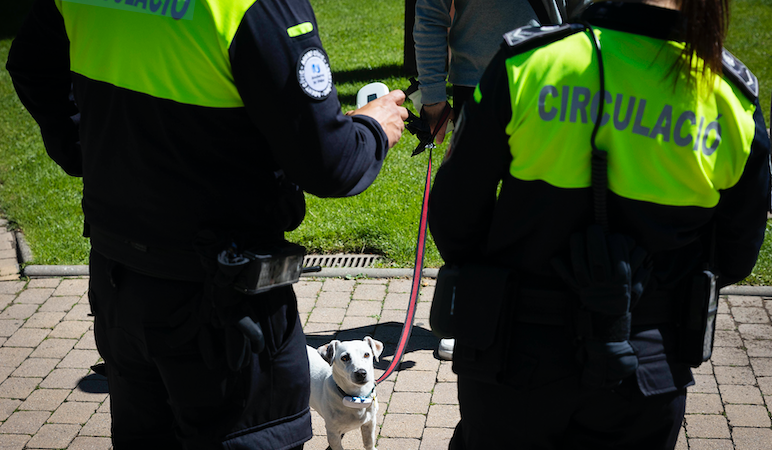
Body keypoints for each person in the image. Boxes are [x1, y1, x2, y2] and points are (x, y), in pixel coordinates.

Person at [6, 0, 408, 448]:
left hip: (122, 282)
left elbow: (29, 65)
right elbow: (329, 163)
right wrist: (374, 128)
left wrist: (90, 152)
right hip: (223, 307)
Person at [428, 0, 771, 448]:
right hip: (648, 367)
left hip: (516, 358)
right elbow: (735, 256)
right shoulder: (729, 97)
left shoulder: (532, 62)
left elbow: (455, 218)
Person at [414, 0, 590, 360]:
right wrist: (432, 96)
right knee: (464, 204)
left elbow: (582, 9)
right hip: (475, 82)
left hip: (555, 84)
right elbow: (431, 12)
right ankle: (467, 308)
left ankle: (541, 309)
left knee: (546, 201)